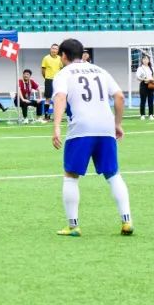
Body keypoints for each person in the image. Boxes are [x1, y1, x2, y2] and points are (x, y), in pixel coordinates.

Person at [51, 38, 132, 237]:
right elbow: (119, 96)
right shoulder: (100, 71)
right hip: (105, 127)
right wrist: (117, 124)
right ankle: (127, 220)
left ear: (63, 56)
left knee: (71, 176)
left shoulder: (63, 74)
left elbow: (60, 97)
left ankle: (73, 225)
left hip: (81, 127)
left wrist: (56, 128)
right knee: (113, 174)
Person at [40, 43, 61, 119]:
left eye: (56, 49)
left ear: (58, 50)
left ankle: (57, 116)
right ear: (50, 49)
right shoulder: (46, 58)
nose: (54, 50)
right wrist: (46, 78)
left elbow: (61, 69)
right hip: (48, 80)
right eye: (53, 48)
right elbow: (43, 70)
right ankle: (46, 115)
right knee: (48, 98)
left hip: (57, 81)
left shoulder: (60, 58)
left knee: (57, 98)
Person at [135, 54, 154, 120]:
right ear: (142, 60)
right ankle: (142, 114)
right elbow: (138, 77)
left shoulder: (151, 68)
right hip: (143, 84)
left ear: (149, 60)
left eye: (147, 59)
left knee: (151, 100)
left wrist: (152, 80)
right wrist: (144, 79)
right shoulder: (140, 68)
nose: (145, 60)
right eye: (144, 59)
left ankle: (151, 114)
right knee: (143, 100)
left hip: (151, 84)